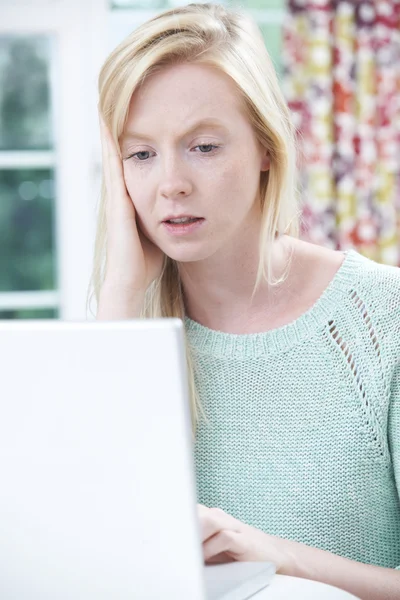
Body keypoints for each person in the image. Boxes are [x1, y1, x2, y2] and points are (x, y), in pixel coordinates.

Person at [89, 3, 400, 597]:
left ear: (265, 146)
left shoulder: (383, 320)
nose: (171, 183)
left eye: (203, 146)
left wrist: (278, 557)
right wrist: (120, 293)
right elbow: (84, 554)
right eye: (141, 154)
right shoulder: (121, 331)